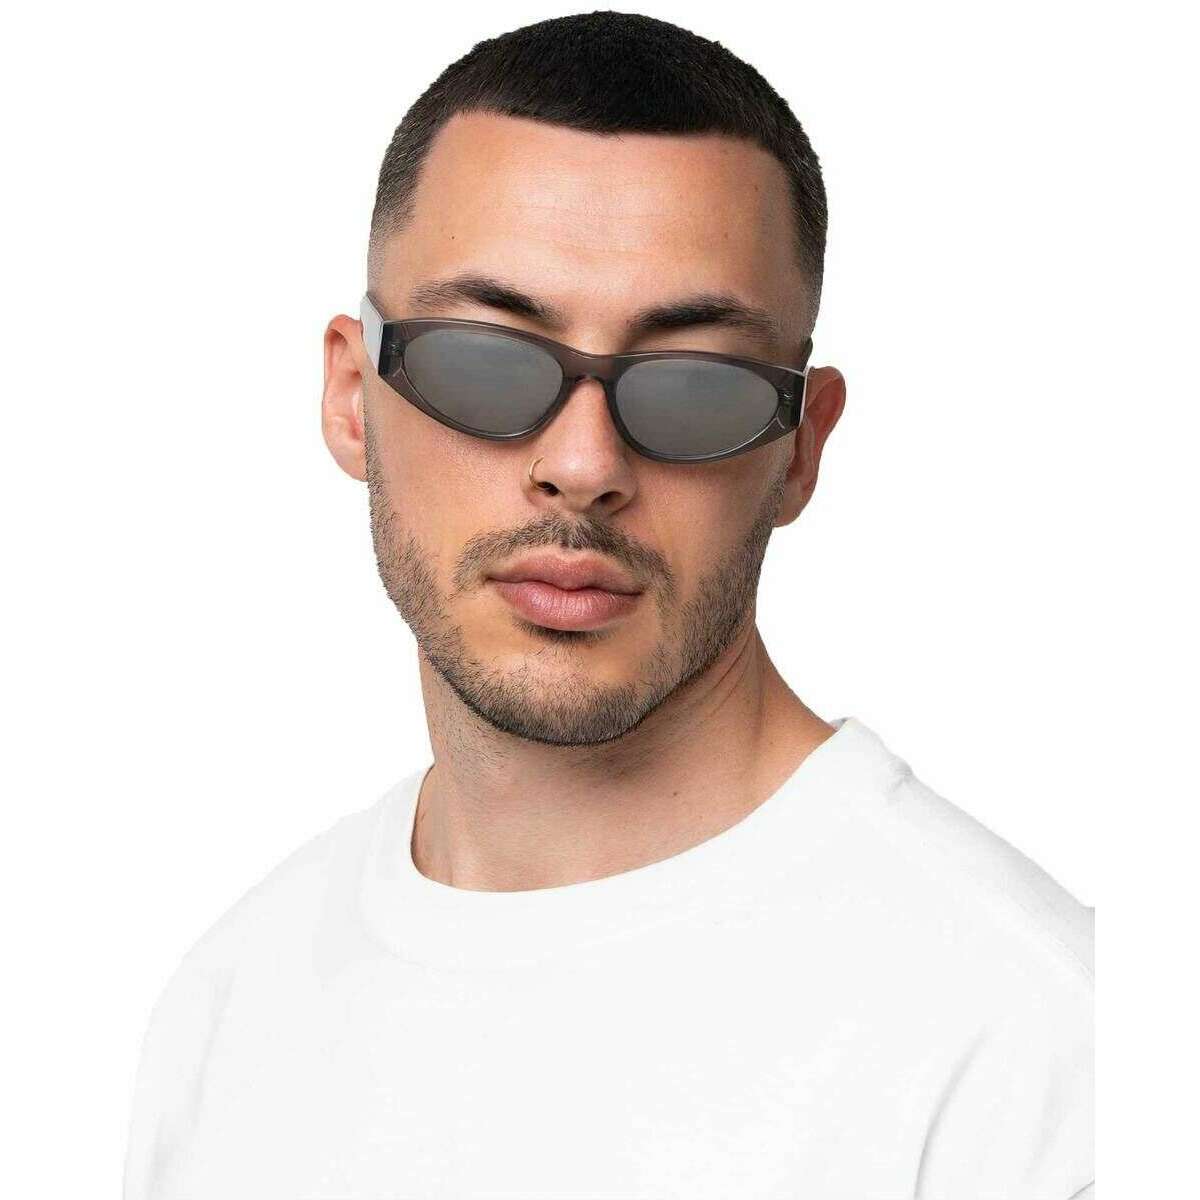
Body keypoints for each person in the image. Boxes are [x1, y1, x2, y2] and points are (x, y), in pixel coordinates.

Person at [122, 11, 1094, 1199]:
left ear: (800, 447)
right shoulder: (231, 1010)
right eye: (486, 363)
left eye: (694, 386)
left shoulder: (1041, 1057)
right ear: (349, 396)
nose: (582, 466)